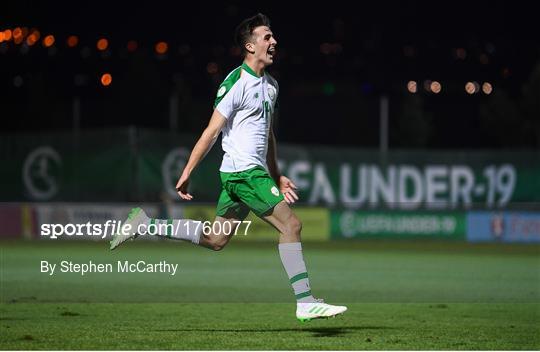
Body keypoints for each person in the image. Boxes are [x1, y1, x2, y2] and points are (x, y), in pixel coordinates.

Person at [110, 13, 347, 322]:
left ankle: (144, 224)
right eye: (266, 37)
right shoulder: (235, 82)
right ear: (249, 46)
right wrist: (187, 172)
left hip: (249, 173)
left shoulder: (271, 86)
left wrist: (276, 174)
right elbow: (211, 132)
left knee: (214, 240)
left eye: (273, 36)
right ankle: (304, 301)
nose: (273, 42)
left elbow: (268, 135)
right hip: (244, 173)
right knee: (292, 226)